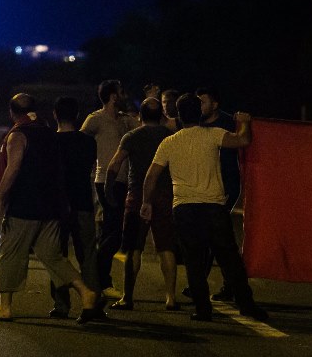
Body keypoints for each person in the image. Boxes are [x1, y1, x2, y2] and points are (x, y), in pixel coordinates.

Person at [142, 94, 267, 322]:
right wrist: (246, 122)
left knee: (194, 260)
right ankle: (246, 304)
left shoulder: (169, 143)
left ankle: (202, 309)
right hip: (213, 206)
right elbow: (243, 140)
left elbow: (151, 176)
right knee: (229, 259)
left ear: (179, 116)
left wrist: (146, 202)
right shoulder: (213, 135)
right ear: (198, 113)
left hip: (184, 208)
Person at [0, 93, 101, 323]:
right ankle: (87, 294)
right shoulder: (49, 134)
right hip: (51, 206)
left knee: (9, 253)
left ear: (12, 112)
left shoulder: (17, 135)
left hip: (24, 205)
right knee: (52, 256)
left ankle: (4, 307)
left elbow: (13, 168)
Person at [104, 98, 178, 310]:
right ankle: (171, 298)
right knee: (166, 246)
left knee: (133, 247)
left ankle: (128, 297)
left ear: (141, 116)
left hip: (137, 195)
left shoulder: (132, 136)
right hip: (165, 195)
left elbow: (114, 164)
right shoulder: (170, 136)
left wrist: (108, 192)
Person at [81, 79, 138, 298]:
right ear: (113, 96)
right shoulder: (95, 119)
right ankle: (99, 278)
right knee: (114, 231)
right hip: (106, 180)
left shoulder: (126, 120)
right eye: (121, 93)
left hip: (124, 180)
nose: (124, 96)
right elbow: (81, 142)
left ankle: (97, 279)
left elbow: (146, 130)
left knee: (110, 230)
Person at [48, 96, 100, 319]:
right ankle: (92, 304)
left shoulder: (50, 142)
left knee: (57, 255)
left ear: (55, 114)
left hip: (57, 206)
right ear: (77, 115)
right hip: (83, 203)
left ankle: (61, 305)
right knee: (87, 254)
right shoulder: (88, 142)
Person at [196, 86, 242, 302]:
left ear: (215, 104)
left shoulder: (228, 122)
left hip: (225, 185)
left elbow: (245, 139)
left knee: (218, 236)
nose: (200, 106)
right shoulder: (195, 122)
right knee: (211, 236)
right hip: (204, 185)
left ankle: (229, 286)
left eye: (203, 102)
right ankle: (206, 283)